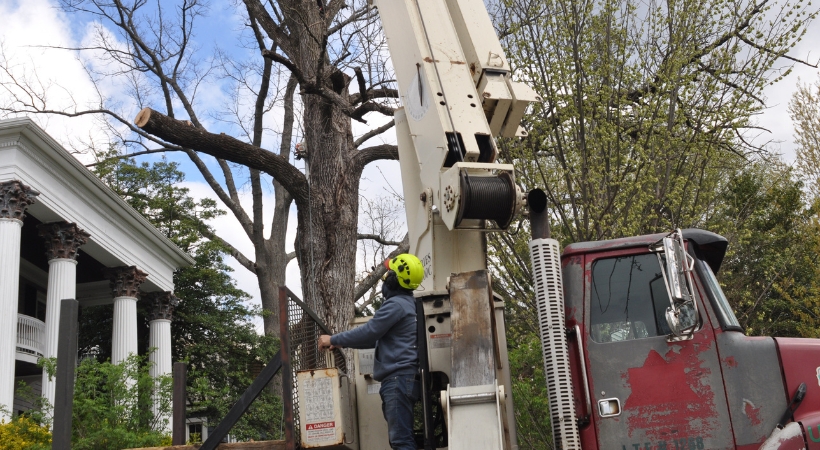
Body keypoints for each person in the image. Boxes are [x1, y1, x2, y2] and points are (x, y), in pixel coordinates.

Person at [319, 253, 424, 450]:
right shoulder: (409, 305)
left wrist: (333, 339)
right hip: (404, 379)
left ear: (394, 279)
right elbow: (377, 339)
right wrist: (342, 343)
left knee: (401, 441)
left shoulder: (395, 305)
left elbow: (369, 332)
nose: (385, 278)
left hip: (397, 380)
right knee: (403, 438)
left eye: (388, 273)